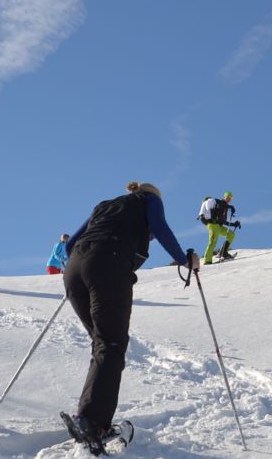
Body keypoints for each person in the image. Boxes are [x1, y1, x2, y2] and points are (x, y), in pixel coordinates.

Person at [63, 182, 197, 444]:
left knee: (103, 344)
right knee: (111, 345)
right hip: (109, 264)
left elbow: (69, 247)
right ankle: (93, 425)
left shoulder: (105, 206)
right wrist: (184, 259)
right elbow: (160, 226)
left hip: (75, 269)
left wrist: (85, 262)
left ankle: (88, 417)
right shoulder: (149, 200)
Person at [197, 191, 240, 264]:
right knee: (213, 241)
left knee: (231, 234)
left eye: (230, 198)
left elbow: (223, 221)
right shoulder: (218, 202)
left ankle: (223, 253)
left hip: (219, 226)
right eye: (228, 197)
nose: (229, 199)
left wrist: (234, 224)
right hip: (213, 225)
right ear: (224, 197)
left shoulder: (224, 207)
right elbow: (220, 204)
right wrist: (230, 206)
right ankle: (207, 260)